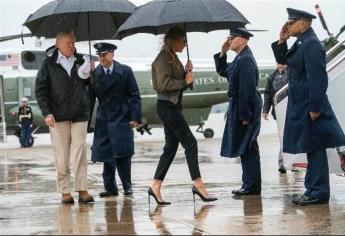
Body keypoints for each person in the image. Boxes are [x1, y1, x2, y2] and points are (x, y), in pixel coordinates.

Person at [271, 8, 345, 206]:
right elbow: (283, 61)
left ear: (303, 23)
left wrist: (315, 107)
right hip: (302, 104)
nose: (288, 25)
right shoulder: (302, 42)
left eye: (291, 22)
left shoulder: (311, 44)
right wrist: (281, 40)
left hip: (310, 106)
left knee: (315, 147)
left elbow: (318, 79)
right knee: (311, 148)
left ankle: (319, 192)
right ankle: (312, 189)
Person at [149, 26, 217, 205]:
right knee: (191, 143)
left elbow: (178, 83)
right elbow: (163, 85)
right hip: (167, 107)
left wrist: (186, 72)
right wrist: (184, 80)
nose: (185, 45)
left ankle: (155, 186)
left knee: (171, 147)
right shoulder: (163, 59)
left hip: (172, 106)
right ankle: (198, 184)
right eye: (183, 41)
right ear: (174, 40)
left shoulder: (172, 58)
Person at [35, 31, 94, 204]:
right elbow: (41, 91)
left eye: (73, 43)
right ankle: (65, 191)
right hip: (58, 116)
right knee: (61, 155)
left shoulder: (81, 60)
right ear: (58, 43)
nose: (72, 46)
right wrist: (46, 112)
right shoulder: (48, 64)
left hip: (79, 113)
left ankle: (82, 189)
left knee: (80, 152)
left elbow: (89, 84)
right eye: (68, 43)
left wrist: (91, 73)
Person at [86, 42, 141, 198]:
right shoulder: (94, 74)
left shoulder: (125, 71)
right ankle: (110, 188)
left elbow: (135, 96)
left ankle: (127, 186)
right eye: (99, 56)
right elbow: (90, 100)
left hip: (122, 116)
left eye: (104, 55)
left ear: (112, 54)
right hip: (104, 118)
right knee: (106, 155)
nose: (102, 58)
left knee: (123, 154)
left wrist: (135, 117)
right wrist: (88, 122)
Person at [214, 28, 262, 197]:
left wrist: (246, 115)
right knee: (245, 146)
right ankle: (249, 184)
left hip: (245, 107)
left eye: (231, 38)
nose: (229, 41)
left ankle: (251, 186)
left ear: (242, 39)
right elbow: (223, 71)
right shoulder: (239, 58)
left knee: (248, 146)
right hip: (240, 106)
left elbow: (247, 90)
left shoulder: (246, 59)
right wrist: (222, 52)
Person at [262, 63, 289, 173]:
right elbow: (267, 94)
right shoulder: (272, 77)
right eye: (278, 63)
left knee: (292, 135)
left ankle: (292, 162)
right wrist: (265, 110)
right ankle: (282, 163)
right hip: (278, 112)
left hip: (294, 110)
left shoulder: (293, 73)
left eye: (282, 62)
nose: (280, 65)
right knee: (283, 136)